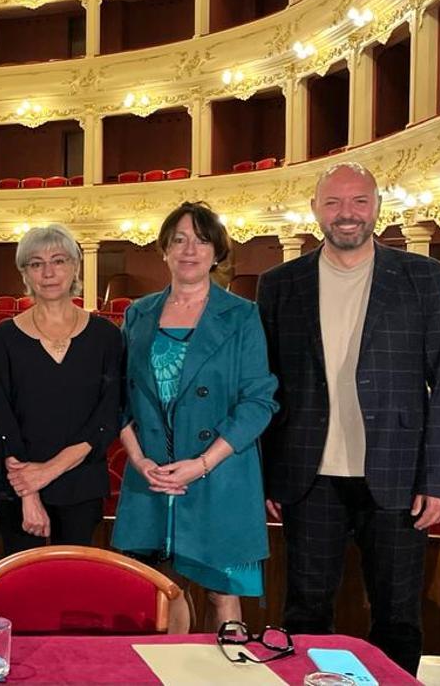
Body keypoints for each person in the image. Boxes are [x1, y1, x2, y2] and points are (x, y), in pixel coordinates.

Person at [256, 162, 440, 674]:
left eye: (358, 201)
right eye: (333, 202)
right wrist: (266, 474)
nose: (346, 213)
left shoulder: (422, 276)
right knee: (305, 612)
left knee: (397, 616)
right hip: (309, 477)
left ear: (376, 207)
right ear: (315, 210)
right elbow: (264, 385)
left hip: (398, 474)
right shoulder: (280, 283)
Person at [112, 202, 278, 632]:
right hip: (153, 474)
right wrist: (139, 460)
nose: (189, 250)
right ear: (164, 249)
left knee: (223, 594)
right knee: (163, 593)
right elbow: (118, 400)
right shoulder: (138, 314)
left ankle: (230, 667)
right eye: (179, 240)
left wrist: (202, 463)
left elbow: (258, 402)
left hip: (219, 472)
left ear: (217, 252)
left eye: (201, 241)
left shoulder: (243, 315)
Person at [0, 224, 122, 554]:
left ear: (75, 266)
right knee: (23, 580)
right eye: (36, 263)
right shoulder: (5, 336)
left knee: (75, 581)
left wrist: (48, 471)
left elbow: (108, 416)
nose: (48, 272)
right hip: (21, 489)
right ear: (25, 273)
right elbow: (3, 421)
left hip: (82, 484)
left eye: (58, 261)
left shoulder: (106, 335)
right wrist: (29, 492)